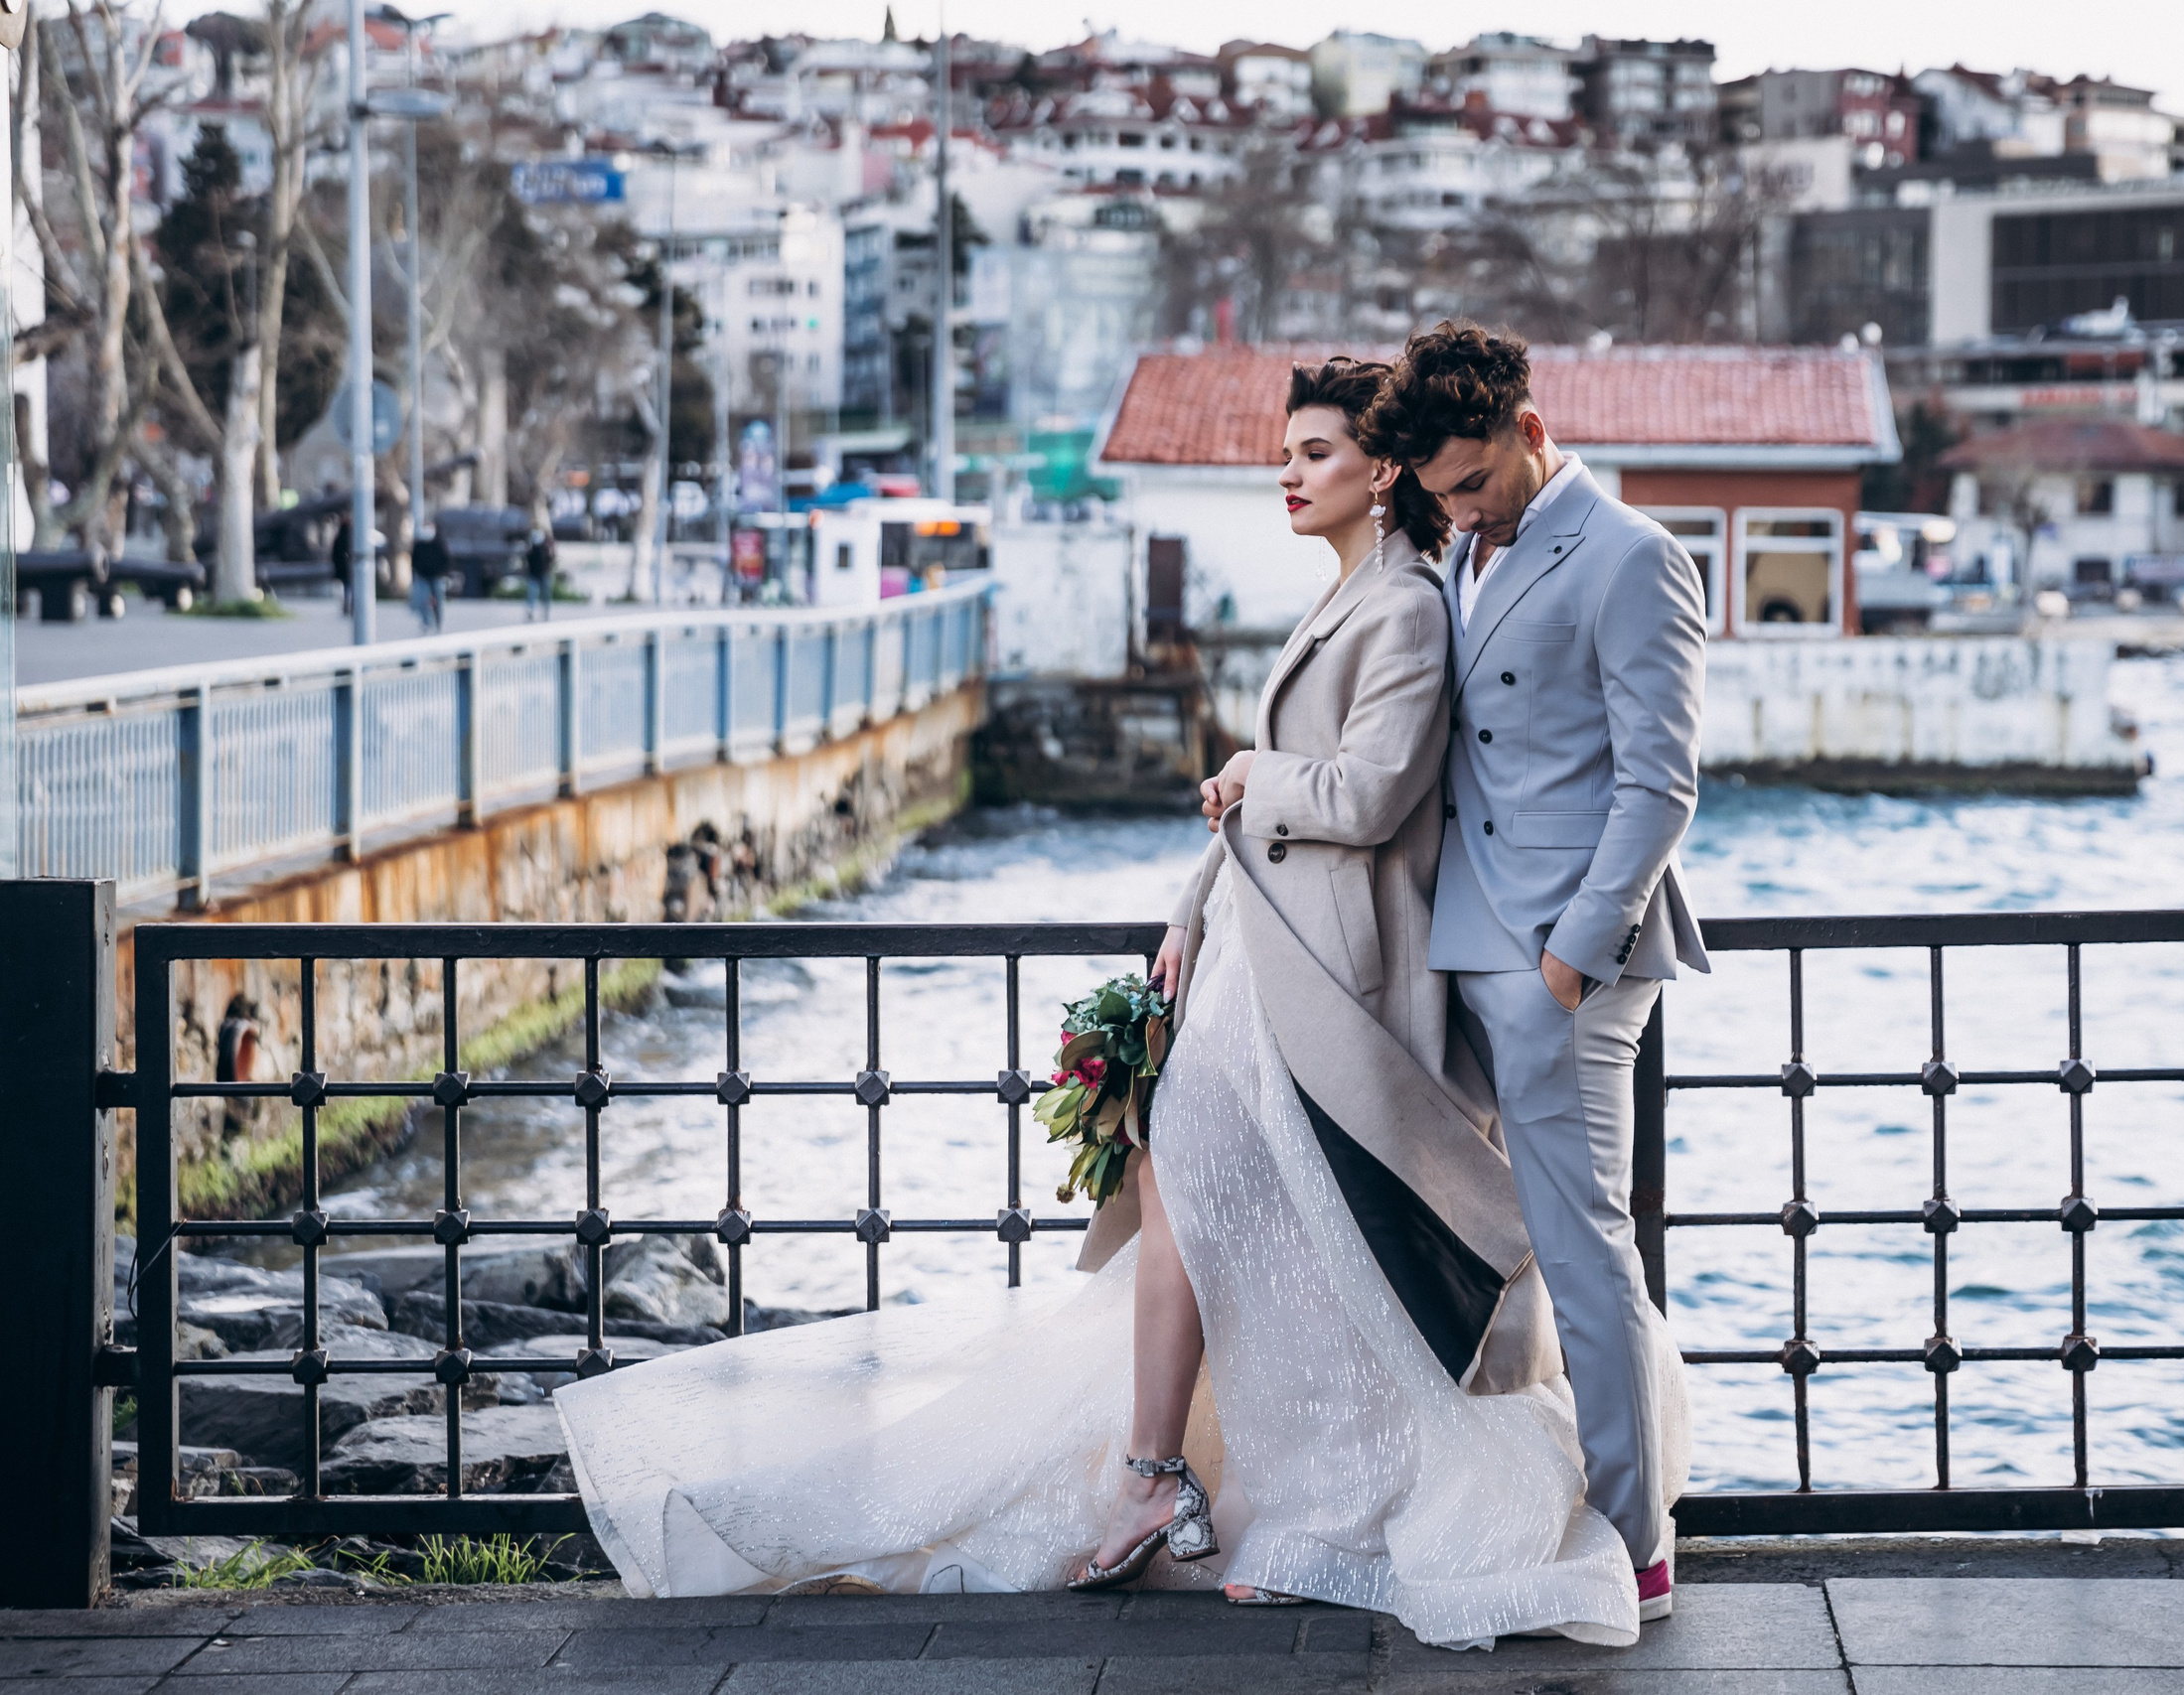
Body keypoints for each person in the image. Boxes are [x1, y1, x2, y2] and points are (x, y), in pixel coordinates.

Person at [554, 357, 1662, 1647]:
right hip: (1269, 952)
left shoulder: (1412, 599)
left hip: (1328, 976)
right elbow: (1302, 796)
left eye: (1315, 451)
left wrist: (1255, 776)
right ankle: (1196, 1475)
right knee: (1222, 1203)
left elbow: (1371, 796)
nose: (1288, 472)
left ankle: (1231, 1484)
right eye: (1287, 450)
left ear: (1381, 470)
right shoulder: (1374, 589)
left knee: (1263, 1210)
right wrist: (1192, 910)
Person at [1367, 322, 1707, 1626]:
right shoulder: (1457, 547)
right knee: (1470, 1232)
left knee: (1584, 1247)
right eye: (1438, 490)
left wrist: (1576, 951)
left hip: (1559, 958)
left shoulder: (1629, 552)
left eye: (1470, 479)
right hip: (1460, 942)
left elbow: (1660, 777)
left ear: (1530, 427)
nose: (1456, 507)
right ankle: (1502, 1489)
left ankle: (1638, 1535)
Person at [409, 523, 450, 634]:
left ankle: (439, 622)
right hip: (423, 577)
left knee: (439, 600)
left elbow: (445, 559)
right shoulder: (419, 545)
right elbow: (414, 561)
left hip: (437, 577)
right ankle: (426, 622)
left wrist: (442, 572)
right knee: (423, 600)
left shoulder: (439, 543)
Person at [522, 529, 557, 623]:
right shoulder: (531, 550)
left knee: (545, 595)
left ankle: (546, 611)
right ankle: (531, 611)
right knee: (532, 595)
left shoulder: (545, 549)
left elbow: (551, 560)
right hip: (534, 575)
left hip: (543, 575)